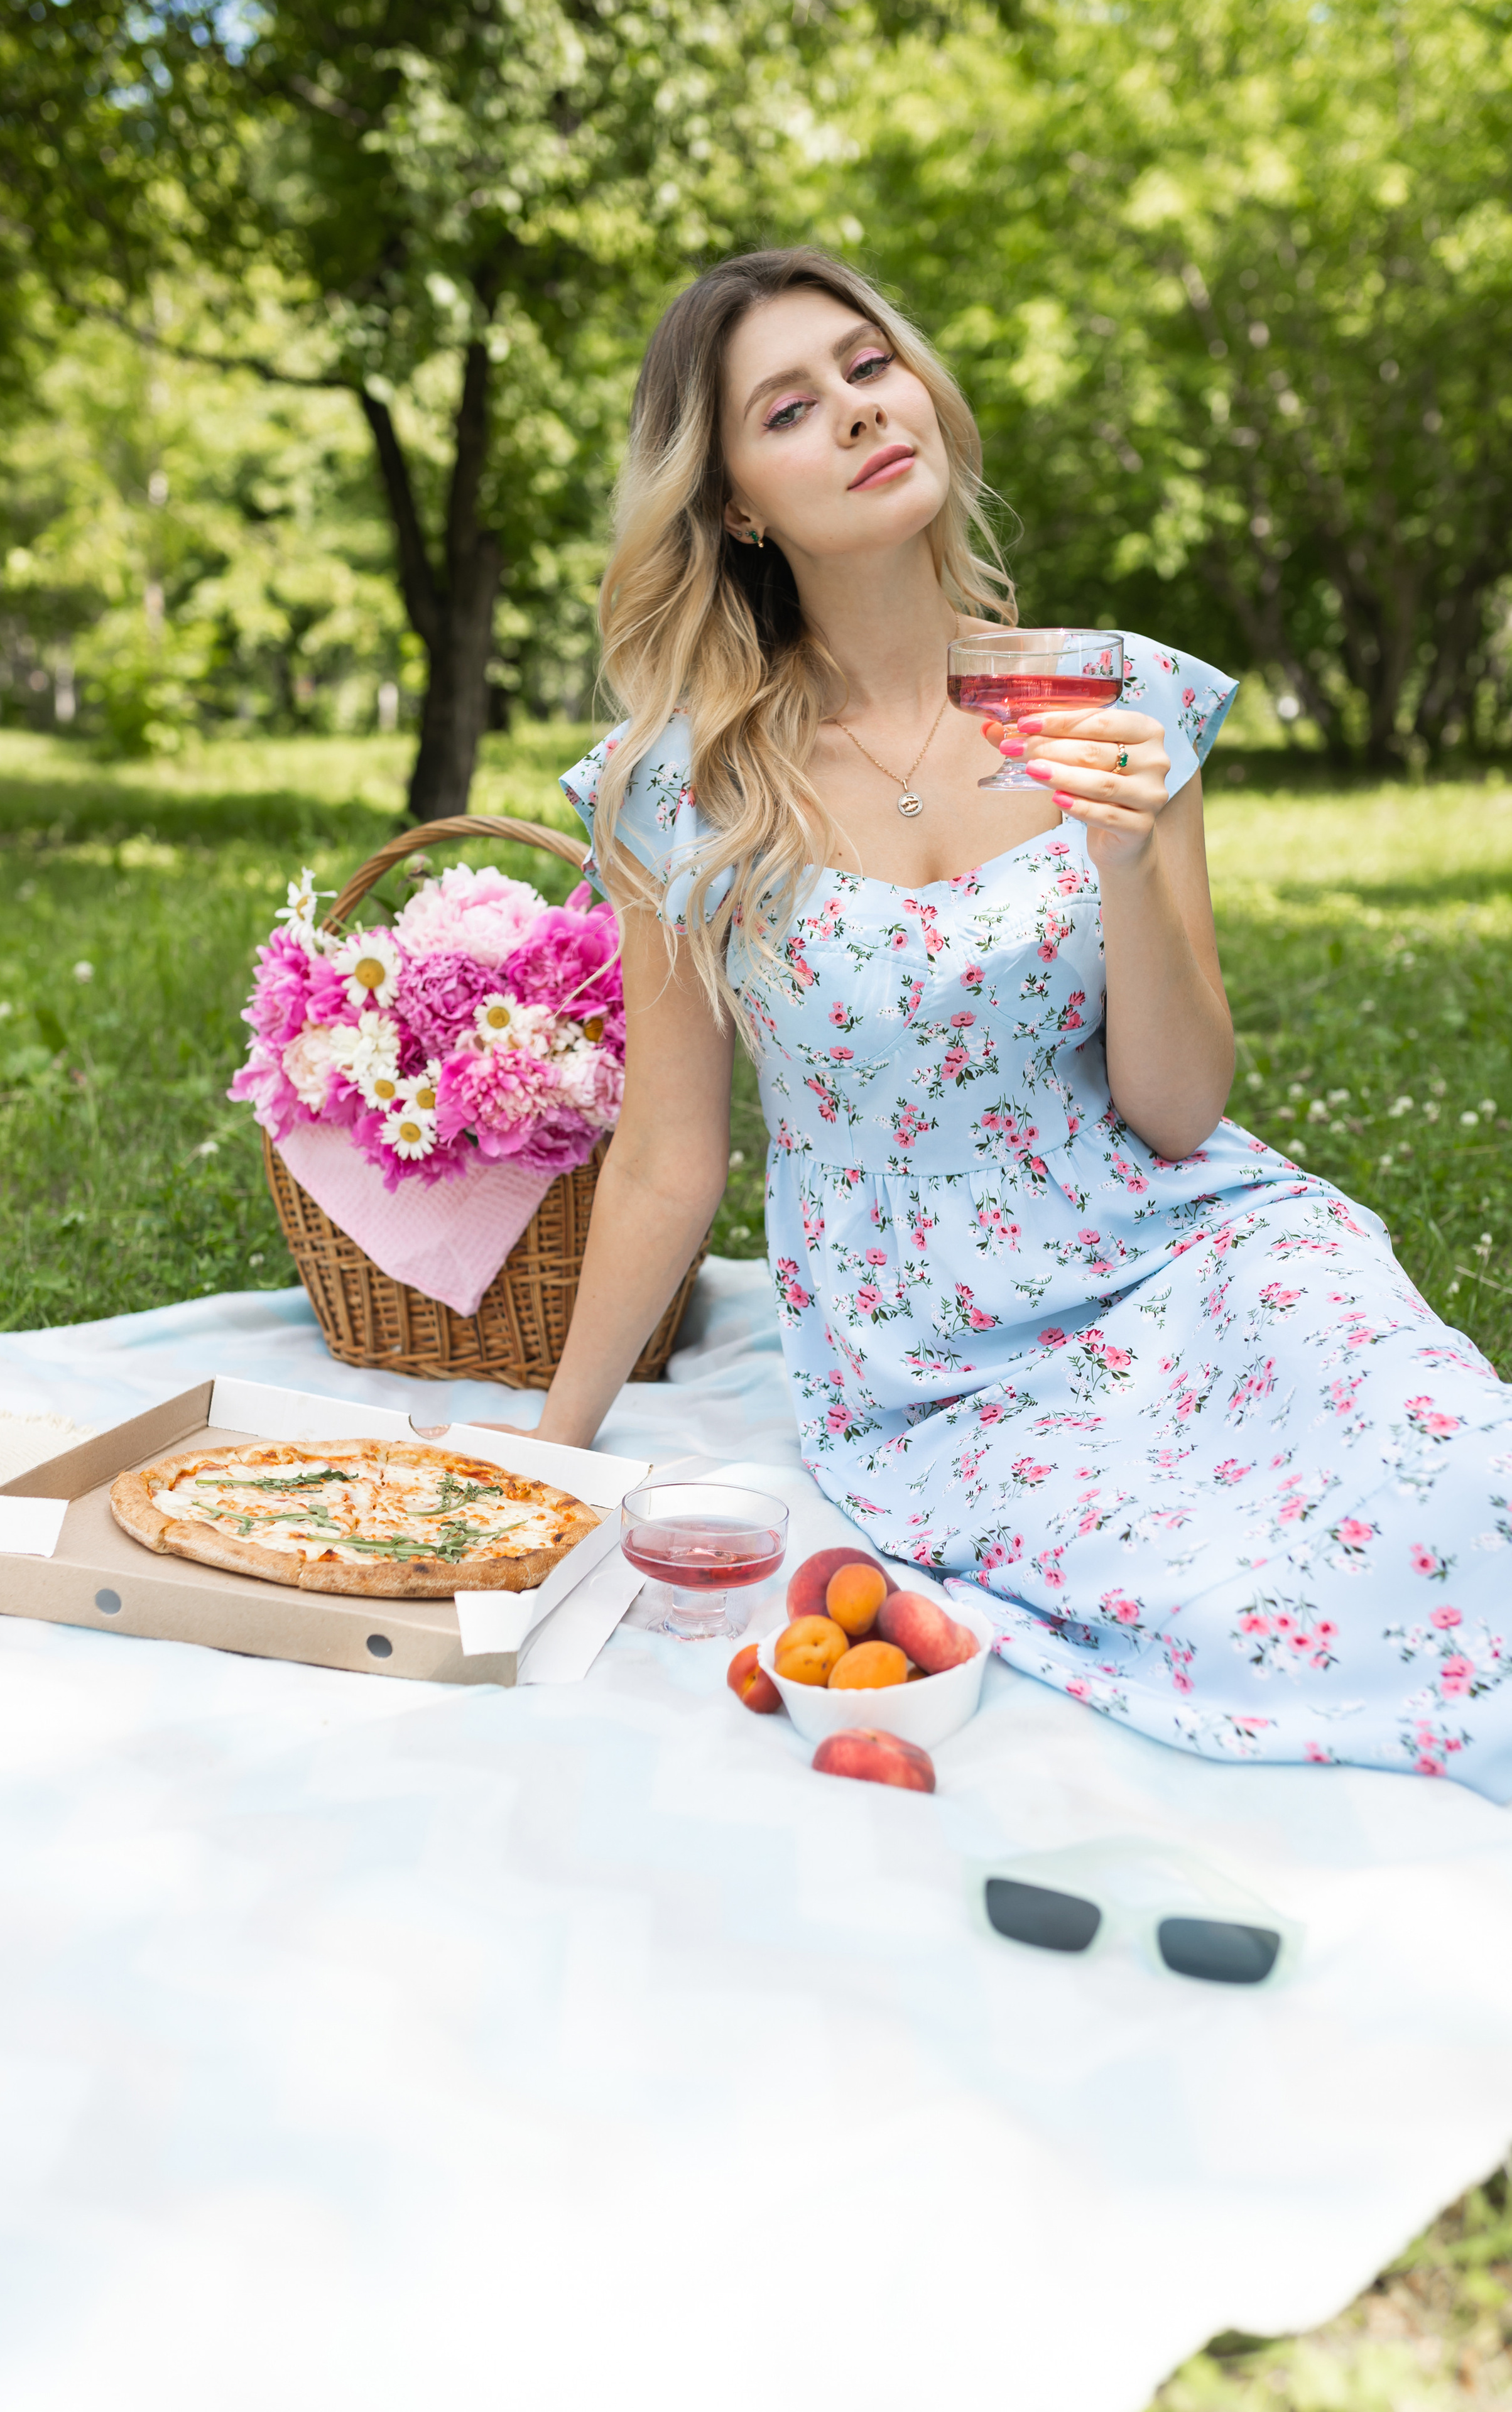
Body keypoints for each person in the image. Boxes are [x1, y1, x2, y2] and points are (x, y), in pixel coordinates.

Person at [533, 246, 1512, 1796]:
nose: (857, 415)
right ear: (732, 503)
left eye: (869, 367)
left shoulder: (1112, 699)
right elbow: (668, 1154)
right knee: (1231, 1600)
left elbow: (1178, 1109)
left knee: (1459, 1465)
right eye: (789, 409)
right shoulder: (680, 788)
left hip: (1193, 1245)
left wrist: (1126, 862)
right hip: (934, 1359)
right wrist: (555, 1443)